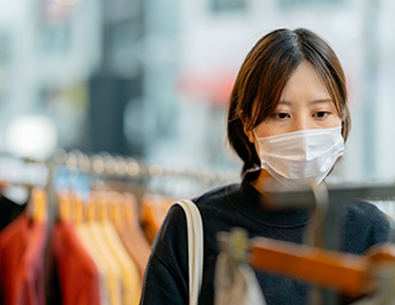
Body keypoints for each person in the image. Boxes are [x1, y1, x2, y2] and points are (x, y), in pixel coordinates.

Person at [138, 28, 390, 305]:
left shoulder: (373, 231)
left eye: (321, 114)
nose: (303, 132)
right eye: (281, 115)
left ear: (341, 118)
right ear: (247, 125)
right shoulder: (191, 227)